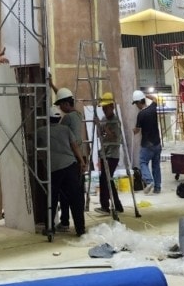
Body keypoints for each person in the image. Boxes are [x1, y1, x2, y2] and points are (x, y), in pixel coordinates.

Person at [37, 106, 86, 236]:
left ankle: (49, 228)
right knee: (75, 198)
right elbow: (74, 146)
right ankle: (80, 229)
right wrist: (81, 161)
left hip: (54, 168)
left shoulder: (41, 131)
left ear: (47, 118)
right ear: (59, 119)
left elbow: (36, 147)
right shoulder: (66, 129)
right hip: (70, 165)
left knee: (52, 199)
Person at [49, 85, 86, 229]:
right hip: (78, 156)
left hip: (71, 157)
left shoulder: (66, 120)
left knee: (65, 193)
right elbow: (64, 96)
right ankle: (78, 225)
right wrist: (52, 86)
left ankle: (65, 221)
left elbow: (68, 138)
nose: (59, 108)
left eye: (60, 105)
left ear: (65, 103)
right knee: (76, 192)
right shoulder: (78, 114)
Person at [95, 92, 124, 216]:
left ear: (112, 106)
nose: (104, 110)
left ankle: (105, 206)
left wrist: (105, 128)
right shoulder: (103, 119)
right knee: (108, 180)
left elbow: (115, 137)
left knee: (105, 179)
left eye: (106, 107)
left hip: (112, 155)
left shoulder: (115, 121)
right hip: (104, 154)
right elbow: (100, 135)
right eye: (103, 108)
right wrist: (99, 127)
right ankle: (118, 205)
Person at [133, 89, 162, 194]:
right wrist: (145, 95)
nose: (136, 106)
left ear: (138, 102)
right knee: (156, 165)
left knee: (143, 162)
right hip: (157, 143)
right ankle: (157, 187)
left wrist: (134, 130)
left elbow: (137, 130)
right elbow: (155, 98)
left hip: (147, 144)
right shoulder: (153, 108)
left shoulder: (141, 114)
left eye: (136, 103)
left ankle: (149, 181)